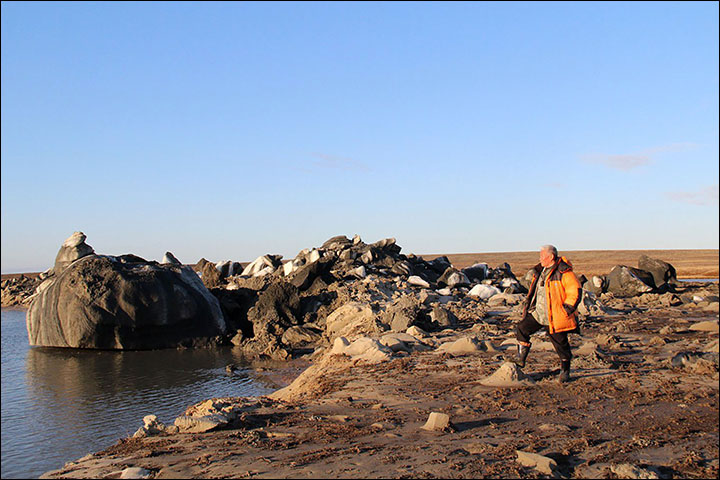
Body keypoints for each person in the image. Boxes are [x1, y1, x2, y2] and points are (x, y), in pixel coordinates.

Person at [513, 245, 581, 383]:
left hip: (556, 315)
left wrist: (566, 309)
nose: (540, 259)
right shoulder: (539, 271)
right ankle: (520, 359)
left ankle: (565, 371)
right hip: (539, 314)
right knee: (522, 328)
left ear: (550, 257)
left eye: (542, 256)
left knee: (561, 345)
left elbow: (575, 291)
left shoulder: (564, 272)